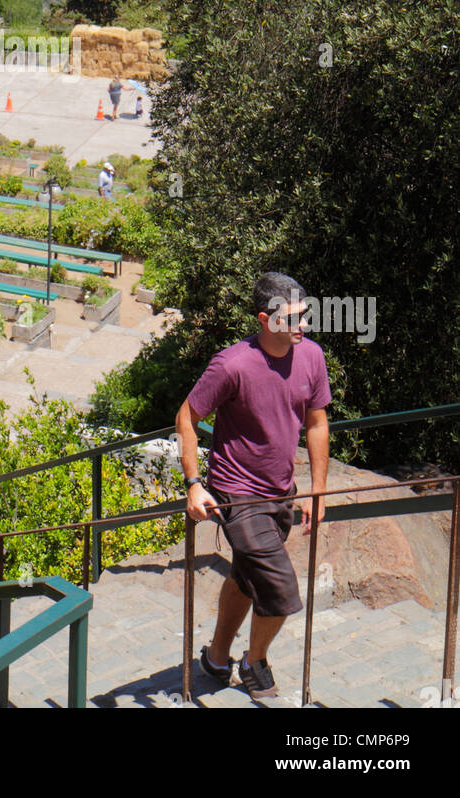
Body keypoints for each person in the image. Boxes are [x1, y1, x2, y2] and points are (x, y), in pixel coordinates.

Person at [175, 271, 330, 699]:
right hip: (237, 491)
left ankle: (217, 657)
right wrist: (193, 484)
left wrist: (318, 490)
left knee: (247, 577)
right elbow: (187, 417)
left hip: (281, 490)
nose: (304, 326)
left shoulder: (311, 357)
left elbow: (317, 423)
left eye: (306, 316)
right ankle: (253, 661)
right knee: (280, 590)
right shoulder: (233, 364)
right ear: (265, 319)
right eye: (293, 318)